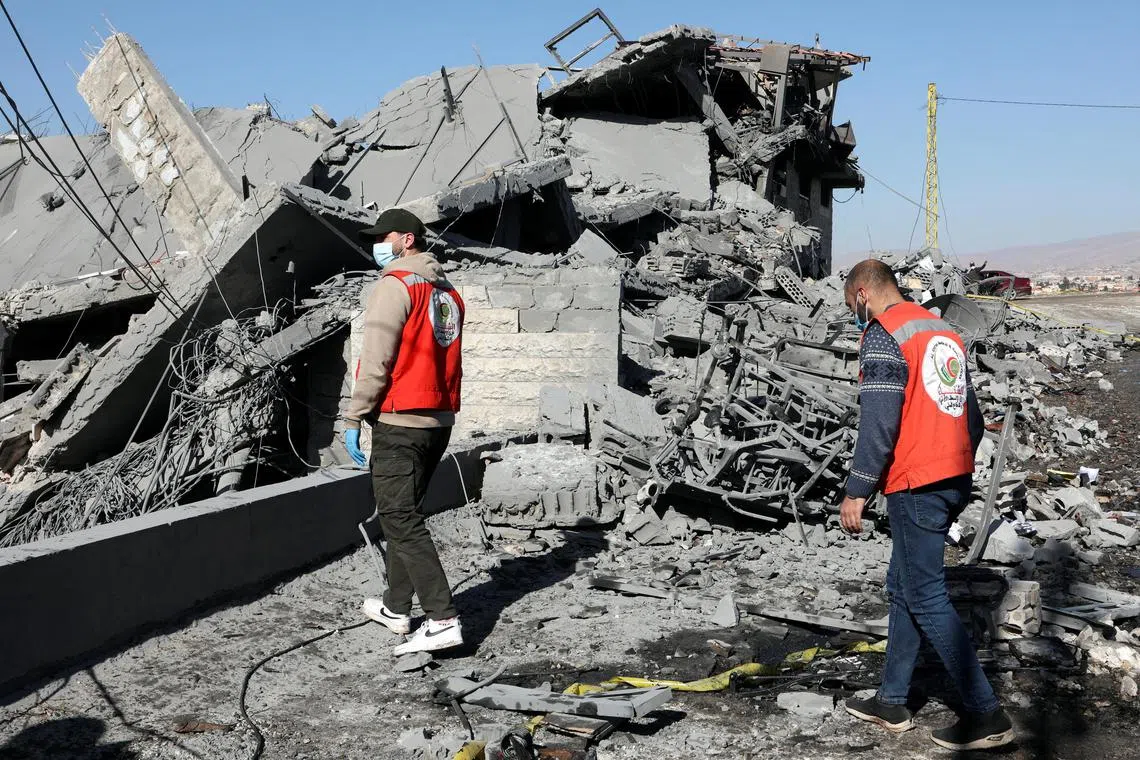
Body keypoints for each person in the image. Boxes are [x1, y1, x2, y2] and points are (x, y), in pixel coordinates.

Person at [838, 259, 1014, 751]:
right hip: (951, 476)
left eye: (852, 303)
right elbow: (971, 415)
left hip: (917, 482)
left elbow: (879, 418)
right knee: (903, 586)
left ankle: (986, 715)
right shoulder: (942, 331)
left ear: (863, 294)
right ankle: (892, 699)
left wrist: (857, 489)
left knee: (925, 594)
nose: (855, 312)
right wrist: (955, 462)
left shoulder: (885, 332)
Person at [343, 208, 465, 656]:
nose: (378, 243)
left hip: (400, 419)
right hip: (438, 419)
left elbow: (376, 358)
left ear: (407, 240)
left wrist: (354, 416)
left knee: (399, 518)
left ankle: (442, 618)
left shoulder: (393, 286)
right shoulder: (446, 290)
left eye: (384, 236)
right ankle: (397, 607)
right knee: (406, 511)